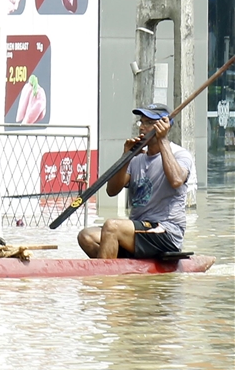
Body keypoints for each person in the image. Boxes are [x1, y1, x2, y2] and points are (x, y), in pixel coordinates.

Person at [77, 103, 192, 259]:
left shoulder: (180, 155)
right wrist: (126, 157)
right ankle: (114, 268)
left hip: (165, 231)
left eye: (149, 123)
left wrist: (162, 139)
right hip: (138, 229)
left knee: (112, 227)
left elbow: (177, 180)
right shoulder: (137, 158)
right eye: (141, 122)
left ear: (164, 126)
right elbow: (112, 191)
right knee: (86, 236)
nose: (142, 127)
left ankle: (104, 281)